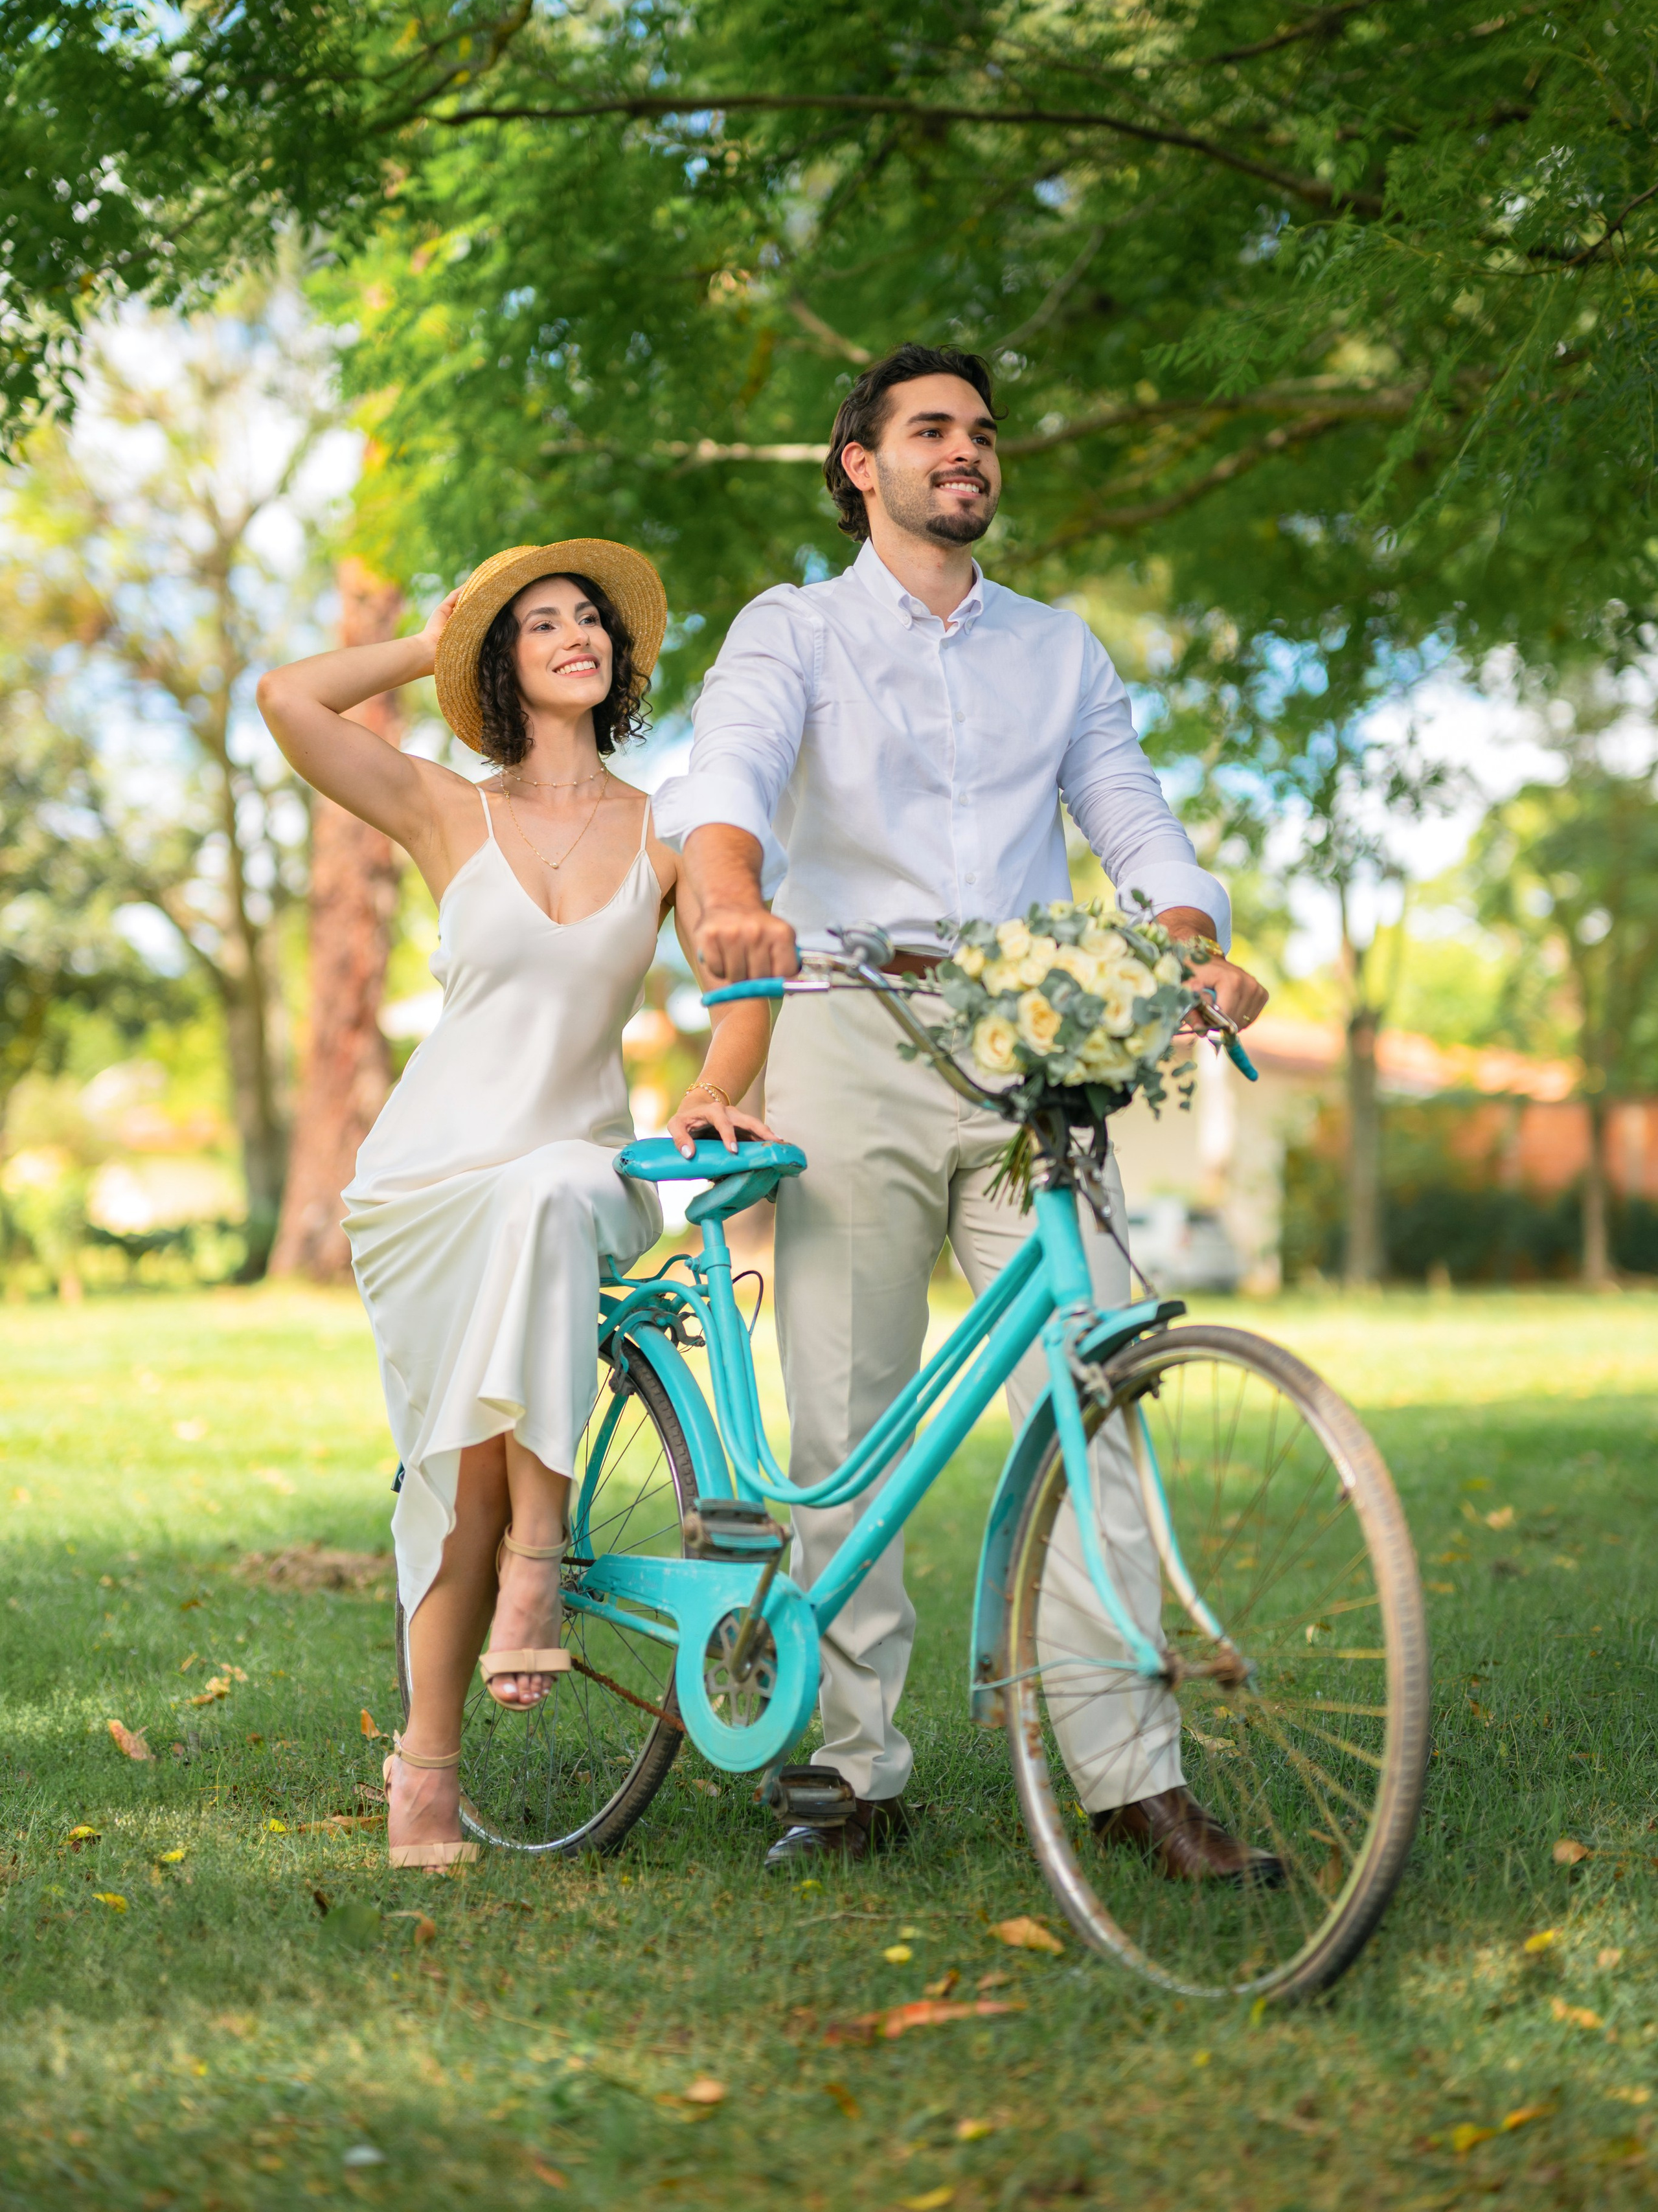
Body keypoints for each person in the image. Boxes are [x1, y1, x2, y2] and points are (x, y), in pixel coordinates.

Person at [656, 344, 1272, 1875]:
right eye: (932, 429)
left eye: (983, 433)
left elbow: (1131, 820)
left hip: (1026, 1041)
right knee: (848, 1409)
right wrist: (727, 901)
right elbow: (725, 777)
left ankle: (1133, 1775)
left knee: (1094, 1384)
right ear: (858, 463)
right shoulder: (789, 629)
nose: (969, 452)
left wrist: (1188, 948)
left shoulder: (1057, 650)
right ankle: (853, 1767)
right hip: (843, 1030)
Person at [258, 542, 774, 1871]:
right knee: (452, 1472)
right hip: (428, 1184)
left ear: (617, 660)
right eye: (539, 623)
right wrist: (431, 640)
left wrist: (719, 1085)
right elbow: (288, 699)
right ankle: (423, 1776)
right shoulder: (445, 810)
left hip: (580, 1167)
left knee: (550, 1196)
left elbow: (745, 963)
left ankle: (538, 1564)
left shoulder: (666, 823)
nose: (573, 633)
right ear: (500, 663)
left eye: (588, 619)